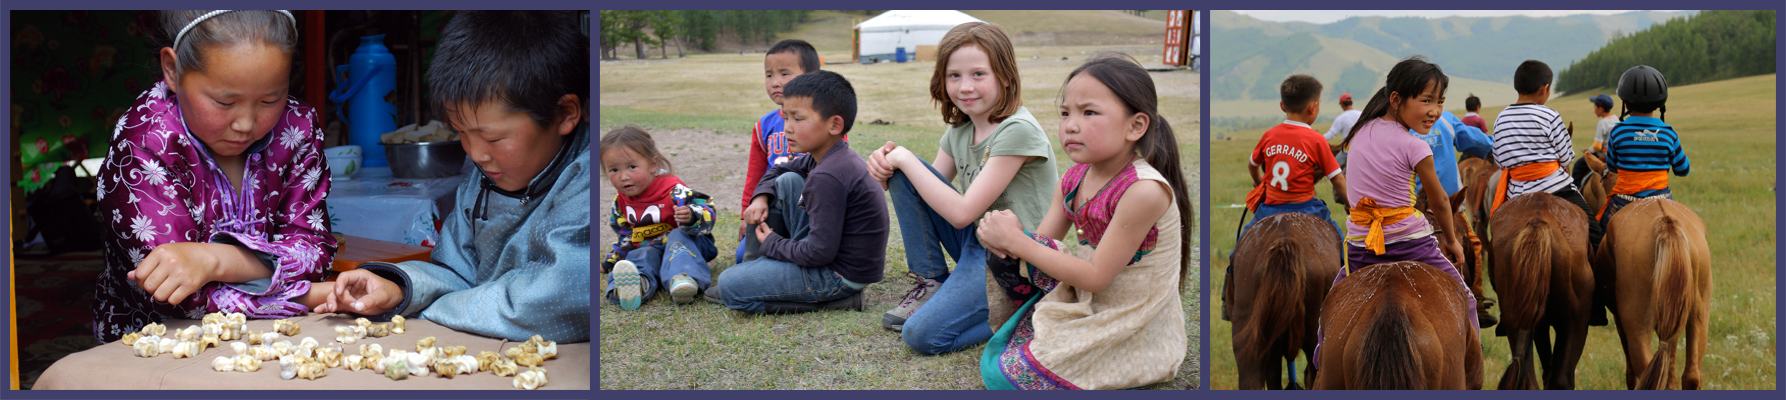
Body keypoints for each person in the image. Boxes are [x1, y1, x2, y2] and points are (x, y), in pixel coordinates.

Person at [319, 11, 590, 343]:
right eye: (461, 132)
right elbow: (454, 271)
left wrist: (430, 307)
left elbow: (550, 300)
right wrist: (400, 287)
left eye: (493, 138)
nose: (475, 154)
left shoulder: (586, 181)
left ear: (564, 114)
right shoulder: (482, 180)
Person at [94, 10, 336, 343]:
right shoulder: (144, 142)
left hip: (278, 338)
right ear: (172, 70)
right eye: (225, 102)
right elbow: (174, 293)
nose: (246, 123)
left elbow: (315, 251)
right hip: (155, 342)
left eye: (270, 99)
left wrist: (213, 260)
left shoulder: (296, 126)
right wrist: (310, 295)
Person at [976, 54, 1191, 389]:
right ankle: (1038, 329)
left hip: (1129, 319)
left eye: (1088, 112)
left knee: (1003, 377)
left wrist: (1017, 240)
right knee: (1004, 256)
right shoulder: (1075, 178)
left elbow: (1096, 277)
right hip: (1086, 298)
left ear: (1136, 126)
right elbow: (1038, 247)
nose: (1070, 125)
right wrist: (1004, 236)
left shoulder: (1144, 190)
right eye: (1065, 113)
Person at [865, 22, 1059, 354]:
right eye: (954, 75)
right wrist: (884, 168)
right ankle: (931, 281)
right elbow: (924, 193)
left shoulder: (1018, 130)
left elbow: (961, 213)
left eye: (978, 74)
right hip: (976, 243)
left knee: (922, 336)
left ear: (1005, 76)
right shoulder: (960, 130)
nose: (965, 86)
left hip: (1016, 259)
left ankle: (1023, 308)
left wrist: (905, 158)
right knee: (906, 173)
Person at [1319, 56, 1478, 364]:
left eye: (1440, 102)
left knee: (1329, 312)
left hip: (1361, 248)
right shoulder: (1415, 146)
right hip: (1411, 245)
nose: (1435, 111)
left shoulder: (1358, 134)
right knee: (1466, 299)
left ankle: (1321, 364)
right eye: (1426, 100)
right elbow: (1439, 202)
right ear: (1395, 99)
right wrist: (1451, 240)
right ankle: (1470, 372)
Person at [709, 70, 890, 315]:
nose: (787, 128)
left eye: (798, 119)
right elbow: (779, 169)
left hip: (839, 274)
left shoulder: (828, 176)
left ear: (834, 125)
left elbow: (818, 253)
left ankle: (840, 301)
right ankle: (754, 269)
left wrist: (772, 243)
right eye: (786, 118)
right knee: (787, 180)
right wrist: (760, 198)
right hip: (833, 257)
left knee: (730, 285)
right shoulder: (829, 156)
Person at [1591, 65, 1690, 326]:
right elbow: (1683, 169)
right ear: (1660, 103)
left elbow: (1612, 166)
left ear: (1625, 103)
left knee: (1597, 240)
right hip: (1663, 199)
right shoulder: (1668, 132)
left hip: (1624, 202)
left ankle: (1596, 301)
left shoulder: (1618, 131)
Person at [601, 126, 719, 310]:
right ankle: (637, 284)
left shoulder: (673, 190)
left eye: (632, 167)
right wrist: (611, 261)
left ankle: (684, 279)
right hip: (653, 249)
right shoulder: (620, 202)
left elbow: (708, 210)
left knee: (677, 237)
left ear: (652, 165)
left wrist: (691, 215)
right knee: (641, 254)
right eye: (614, 170)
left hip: (689, 245)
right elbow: (626, 235)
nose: (623, 176)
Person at [1489, 60, 1600, 250]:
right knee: (1595, 234)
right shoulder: (1549, 115)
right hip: (1556, 187)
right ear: (1544, 89)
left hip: (1517, 194)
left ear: (1516, 86)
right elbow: (1566, 157)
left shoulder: (1501, 118)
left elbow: (1500, 161)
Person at [735, 39, 823, 262]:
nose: (775, 82)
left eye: (785, 74)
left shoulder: (825, 121)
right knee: (742, 257)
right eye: (769, 75)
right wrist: (747, 213)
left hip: (814, 211)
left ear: (811, 77)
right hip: (773, 207)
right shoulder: (763, 126)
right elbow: (755, 175)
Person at [1570, 93, 1619, 186]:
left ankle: (1576, 188)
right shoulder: (1615, 118)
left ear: (1601, 109)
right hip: (1614, 155)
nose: (1594, 109)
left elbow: (1597, 146)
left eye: (1595, 107)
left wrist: (1588, 150)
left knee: (1578, 166)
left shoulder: (1602, 123)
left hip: (1603, 155)